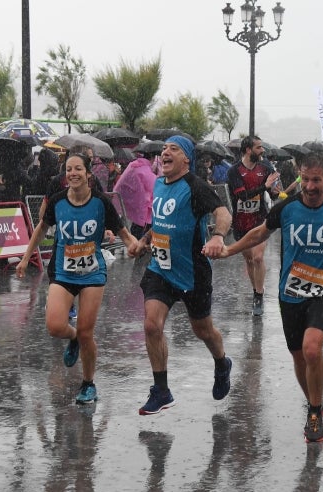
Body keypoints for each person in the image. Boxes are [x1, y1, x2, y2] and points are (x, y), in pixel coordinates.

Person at [207, 152, 323, 443]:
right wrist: (229, 250)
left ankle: (313, 410)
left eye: (317, 180)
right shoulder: (287, 208)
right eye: (306, 180)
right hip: (290, 293)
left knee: (312, 349)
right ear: (301, 177)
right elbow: (260, 233)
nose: (311, 187)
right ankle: (315, 404)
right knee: (298, 355)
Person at [16, 153, 136, 405]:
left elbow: (124, 233)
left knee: (86, 332)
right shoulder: (58, 201)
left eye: (78, 169)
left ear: (88, 173)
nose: (73, 173)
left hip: (92, 273)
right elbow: (41, 228)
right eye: (69, 169)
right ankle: (72, 339)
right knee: (55, 327)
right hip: (64, 271)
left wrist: (134, 245)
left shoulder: (101, 203)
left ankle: (89, 383)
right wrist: (26, 258)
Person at [126, 136, 233, 416]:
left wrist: (219, 236)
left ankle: (222, 363)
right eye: (164, 149)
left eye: (173, 149)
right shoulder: (160, 184)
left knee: (203, 331)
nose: (165, 152)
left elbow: (223, 213)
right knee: (151, 325)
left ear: (187, 159)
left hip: (192, 273)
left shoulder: (195, 186)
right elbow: (158, 221)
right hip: (160, 269)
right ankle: (161, 390)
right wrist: (144, 240)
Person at [226, 135, 281, 316]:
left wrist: (274, 191)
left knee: (258, 258)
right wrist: (264, 187)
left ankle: (259, 295)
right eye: (258, 147)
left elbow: (272, 194)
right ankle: (255, 288)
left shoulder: (265, 168)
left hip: (260, 220)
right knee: (249, 260)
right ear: (248, 150)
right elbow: (242, 196)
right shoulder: (234, 171)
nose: (262, 150)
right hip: (241, 222)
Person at [113, 153, 156, 240]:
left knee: (133, 229)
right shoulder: (145, 170)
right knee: (141, 232)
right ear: (152, 158)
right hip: (142, 208)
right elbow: (154, 187)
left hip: (130, 204)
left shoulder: (133, 166)